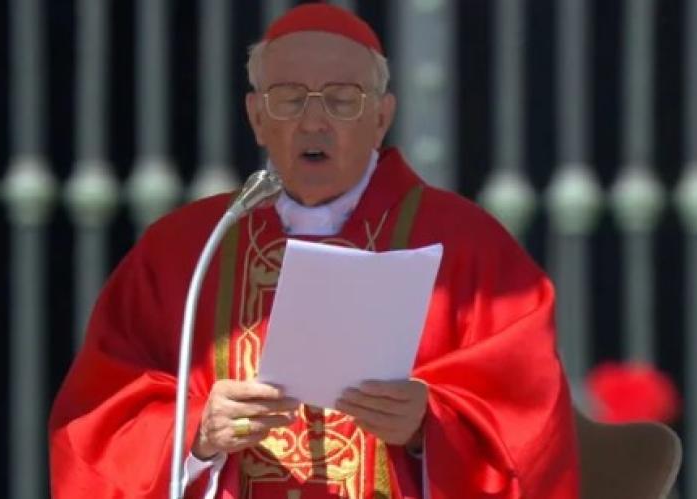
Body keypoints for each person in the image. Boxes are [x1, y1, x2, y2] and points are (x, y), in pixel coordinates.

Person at [49, 4, 579, 498]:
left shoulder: (466, 244)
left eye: (343, 99)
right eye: (289, 97)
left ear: (382, 117)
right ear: (257, 117)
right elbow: (97, 420)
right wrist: (197, 432)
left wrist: (427, 426)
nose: (313, 121)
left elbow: (530, 423)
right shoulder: (186, 248)